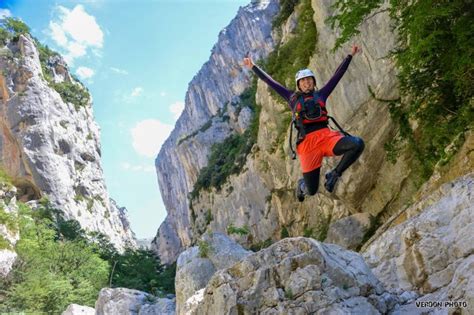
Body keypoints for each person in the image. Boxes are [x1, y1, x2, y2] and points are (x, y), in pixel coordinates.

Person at [242, 45, 364, 201]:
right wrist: (253, 67)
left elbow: (337, 75)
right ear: (298, 85)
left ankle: (334, 174)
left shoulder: (321, 94)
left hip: (326, 137)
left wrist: (350, 55)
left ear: (313, 82)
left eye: (309, 80)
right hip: (307, 144)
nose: (307, 83)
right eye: (303, 81)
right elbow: (271, 82)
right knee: (312, 190)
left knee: (357, 144)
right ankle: (301, 185)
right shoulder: (291, 97)